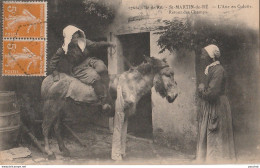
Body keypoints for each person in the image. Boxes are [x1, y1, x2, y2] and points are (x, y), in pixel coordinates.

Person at [49, 25, 116, 111]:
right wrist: (55, 73)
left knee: (102, 67)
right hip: (78, 68)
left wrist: (109, 44)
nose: (76, 39)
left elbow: (95, 45)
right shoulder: (63, 49)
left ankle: (108, 90)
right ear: (69, 38)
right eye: (74, 37)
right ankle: (103, 101)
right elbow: (53, 61)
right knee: (95, 77)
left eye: (77, 36)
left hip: (89, 60)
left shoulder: (83, 42)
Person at [196, 44, 236, 162]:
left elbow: (211, 94)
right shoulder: (210, 69)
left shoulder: (218, 70)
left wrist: (201, 88)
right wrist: (203, 89)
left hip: (217, 105)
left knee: (215, 132)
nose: (202, 56)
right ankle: (209, 160)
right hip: (210, 105)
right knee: (210, 134)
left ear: (211, 56)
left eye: (204, 54)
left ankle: (217, 161)